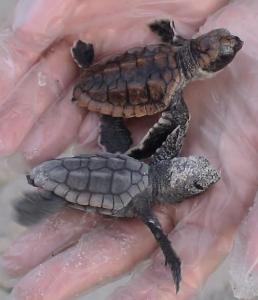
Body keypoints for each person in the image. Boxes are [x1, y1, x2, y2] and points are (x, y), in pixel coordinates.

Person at [1, 0, 258, 299]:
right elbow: (169, 134)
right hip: (114, 110)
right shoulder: (148, 196)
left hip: (118, 115)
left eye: (230, 47)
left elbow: (167, 138)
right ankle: (95, 141)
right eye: (227, 46)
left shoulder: (173, 47)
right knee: (144, 134)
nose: (235, 43)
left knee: (122, 153)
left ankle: (91, 128)